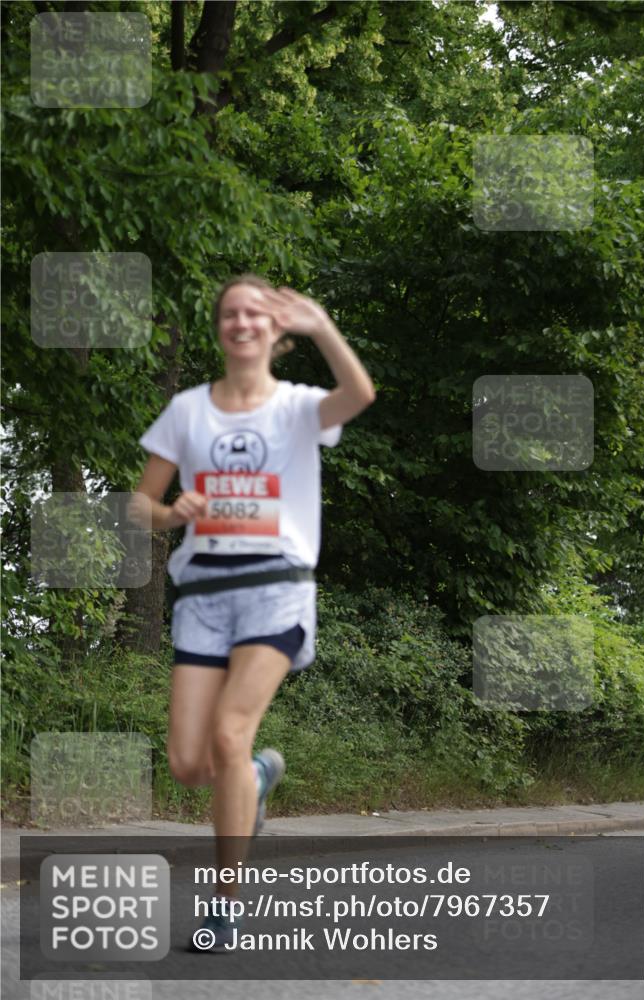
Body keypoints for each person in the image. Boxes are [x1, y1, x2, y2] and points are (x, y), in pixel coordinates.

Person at [130, 273, 375, 951]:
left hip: (276, 588)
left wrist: (321, 325)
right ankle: (260, 777)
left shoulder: (297, 407)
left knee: (230, 737)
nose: (241, 322)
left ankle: (225, 904)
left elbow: (359, 395)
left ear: (275, 332)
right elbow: (137, 503)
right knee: (189, 763)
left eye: (255, 314)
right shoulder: (186, 410)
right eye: (230, 313)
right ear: (220, 329)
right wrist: (170, 509)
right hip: (204, 596)